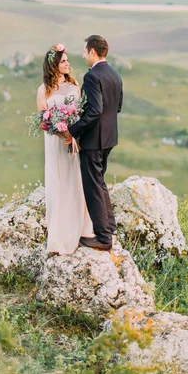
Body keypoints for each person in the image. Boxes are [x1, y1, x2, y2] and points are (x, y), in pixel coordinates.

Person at [63, 35, 123, 251]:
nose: (82, 55)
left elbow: (94, 111)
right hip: (109, 138)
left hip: (93, 140)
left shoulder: (92, 76)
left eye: (84, 51)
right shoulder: (115, 74)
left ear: (92, 52)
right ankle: (110, 227)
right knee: (100, 182)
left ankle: (103, 238)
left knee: (93, 186)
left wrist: (72, 131)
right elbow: (117, 107)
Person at [36, 43, 95, 254]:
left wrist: (72, 133)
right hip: (55, 142)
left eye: (68, 60)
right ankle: (60, 234)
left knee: (74, 181)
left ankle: (80, 228)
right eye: (63, 61)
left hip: (73, 141)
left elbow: (80, 113)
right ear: (54, 65)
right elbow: (43, 119)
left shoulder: (75, 85)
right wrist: (59, 130)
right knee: (58, 182)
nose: (68, 64)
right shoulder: (43, 90)